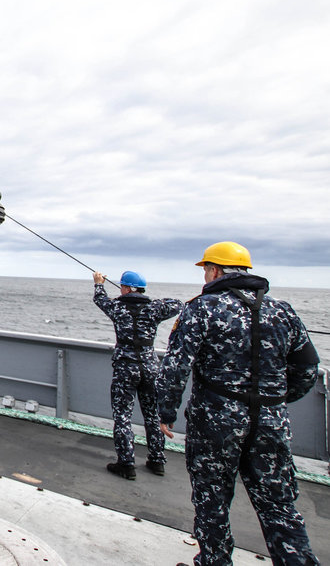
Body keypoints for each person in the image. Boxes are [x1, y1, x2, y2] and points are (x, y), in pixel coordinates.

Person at [159, 241, 320, 566]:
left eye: (205, 269)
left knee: (212, 502)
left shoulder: (203, 308)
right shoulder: (283, 310)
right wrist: (277, 401)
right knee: (279, 507)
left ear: (214, 270)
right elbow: (307, 369)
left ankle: (214, 561)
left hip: (215, 427)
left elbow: (175, 367)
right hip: (271, 426)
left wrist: (166, 412)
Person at [93, 270, 182, 479]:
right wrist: (151, 300)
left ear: (125, 288)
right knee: (152, 415)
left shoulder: (117, 307)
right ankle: (157, 460)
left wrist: (99, 283)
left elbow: (100, 299)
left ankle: (126, 463)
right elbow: (177, 304)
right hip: (150, 367)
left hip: (125, 367)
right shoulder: (154, 308)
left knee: (122, 416)